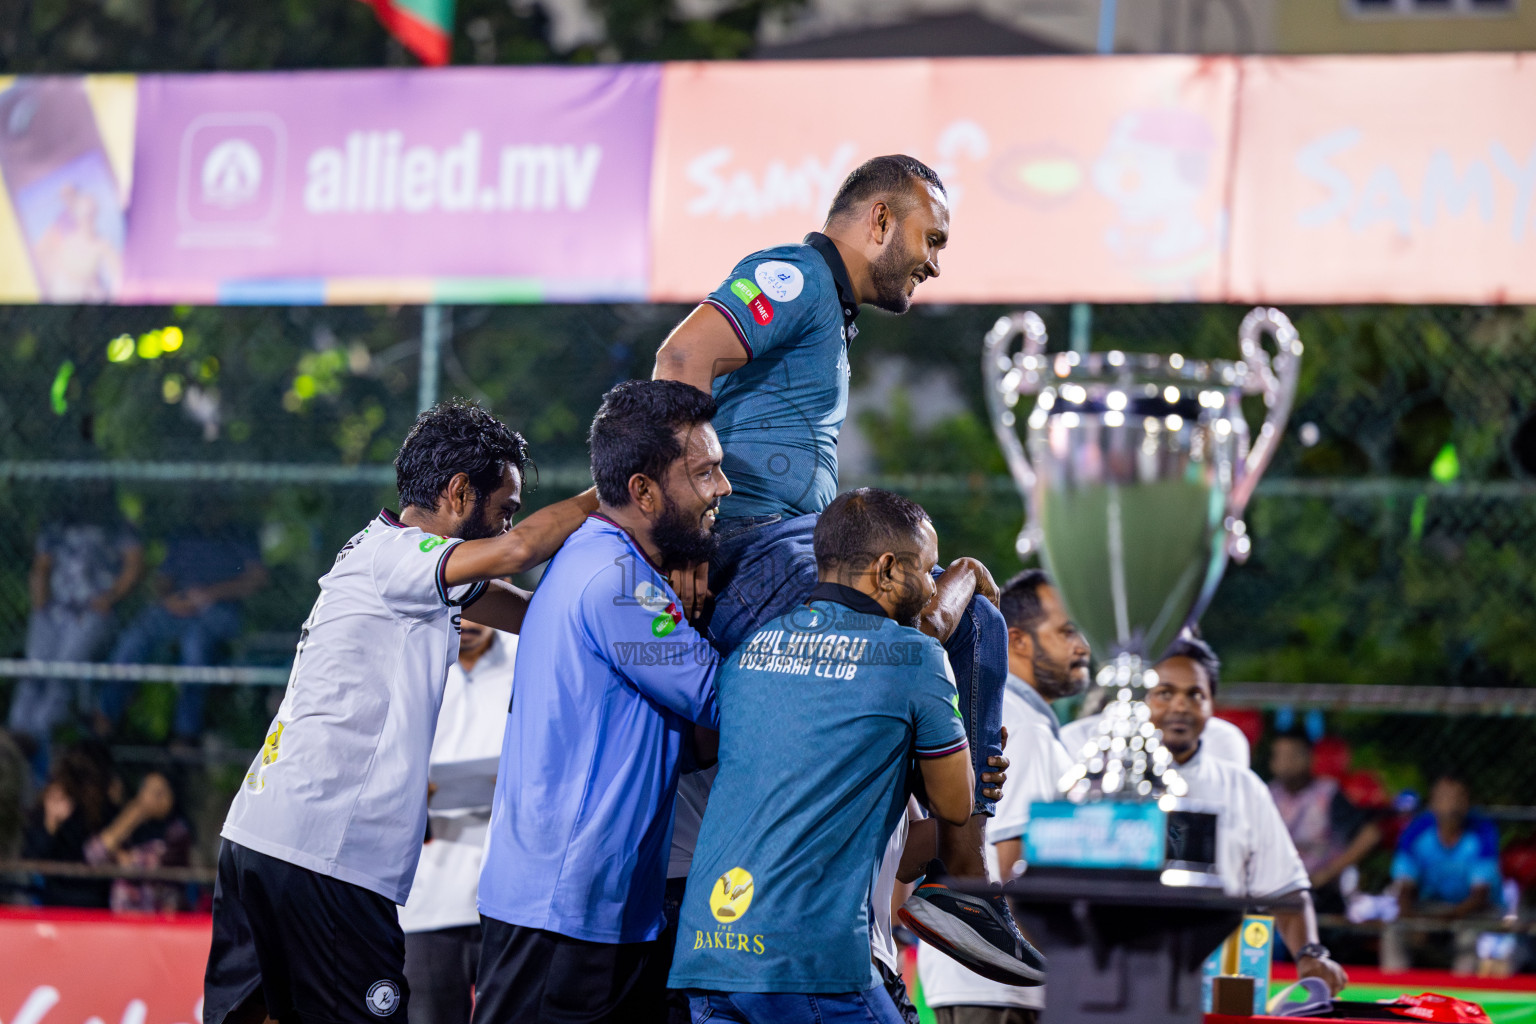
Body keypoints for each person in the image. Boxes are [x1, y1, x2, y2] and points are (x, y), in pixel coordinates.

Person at [654, 153, 1034, 983]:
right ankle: (961, 871)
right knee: (956, 625)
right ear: (879, 221)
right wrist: (679, 544)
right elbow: (682, 358)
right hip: (760, 551)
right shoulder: (791, 278)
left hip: (779, 549)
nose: (935, 261)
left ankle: (950, 826)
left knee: (962, 636)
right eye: (931, 238)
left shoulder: (824, 304)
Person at [203, 399, 598, 1024]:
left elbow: (525, 610)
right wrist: (616, 490)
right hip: (325, 858)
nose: (504, 529)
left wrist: (617, 614)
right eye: (501, 511)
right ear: (458, 493)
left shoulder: (388, 559)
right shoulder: (399, 557)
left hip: (259, 837)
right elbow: (516, 552)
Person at [668, 488, 977, 1024]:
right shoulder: (914, 655)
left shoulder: (751, 648)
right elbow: (955, 804)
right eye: (927, 571)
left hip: (708, 948)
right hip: (806, 955)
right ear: (886, 569)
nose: (932, 589)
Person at [473, 380, 728, 1024]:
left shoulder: (608, 561)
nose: (721, 489)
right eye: (705, 472)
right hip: (566, 914)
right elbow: (721, 700)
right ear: (642, 491)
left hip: (594, 909)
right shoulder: (618, 583)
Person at [919, 570, 1087, 1024]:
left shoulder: (1014, 717)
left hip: (978, 979)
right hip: (999, 986)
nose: (1083, 647)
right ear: (1018, 641)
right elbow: (1011, 867)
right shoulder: (1025, 727)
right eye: (1067, 631)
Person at [1144, 637, 1348, 995]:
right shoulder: (1106, 782)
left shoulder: (1243, 788)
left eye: (1195, 695)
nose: (1180, 705)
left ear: (1211, 706)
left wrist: (1310, 954)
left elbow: (1285, 886)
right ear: (1141, 701)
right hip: (1126, 969)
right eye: (1165, 693)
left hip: (1218, 978)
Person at [399, 621, 516, 1024]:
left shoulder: (530, 653)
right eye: (458, 603)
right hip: (425, 898)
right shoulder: (409, 655)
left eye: (478, 602)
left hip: (511, 897)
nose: (467, 619)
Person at [104, 512, 267, 743]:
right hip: (177, 608)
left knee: (195, 646)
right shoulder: (184, 535)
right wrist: (169, 599)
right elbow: (162, 579)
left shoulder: (239, 534)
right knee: (138, 633)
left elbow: (258, 578)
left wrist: (209, 595)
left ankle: (185, 733)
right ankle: (106, 715)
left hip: (219, 610)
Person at [11, 499, 142, 775]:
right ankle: (14, 748)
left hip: (93, 612)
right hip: (53, 612)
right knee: (32, 679)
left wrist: (109, 598)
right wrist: (41, 609)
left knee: (60, 679)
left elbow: (134, 564)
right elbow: (41, 567)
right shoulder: (57, 525)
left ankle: (37, 758)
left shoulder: (118, 525)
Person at [1382, 774, 1502, 975]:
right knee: (1394, 931)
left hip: (1472, 911)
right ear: (1432, 802)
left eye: (1458, 797)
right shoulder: (1416, 831)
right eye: (1445, 797)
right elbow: (1403, 888)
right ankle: (1394, 994)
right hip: (1428, 907)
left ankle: (1463, 996)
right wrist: (1413, 921)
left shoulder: (1482, 832)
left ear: (1467, 803)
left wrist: (1438, 922)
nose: (1452, 805)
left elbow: (1479, 897)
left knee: (1468, 937)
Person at [1268, 729, 1382, 913]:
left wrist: (1328, 873)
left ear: (1309, 758)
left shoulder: (1328, 793)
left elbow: (1370, 834)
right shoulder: (1268, 794)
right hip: (1275, 888)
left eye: (1292, 755)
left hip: (1321, 891)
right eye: (1280, 756)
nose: (1285, 763)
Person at [21, 742, 117, 908]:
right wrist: (51, 821)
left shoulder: (106, 811)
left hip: (90, 901)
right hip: (61, 900)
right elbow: (32, 857)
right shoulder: (56, 803)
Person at [84, 769, 194, 912]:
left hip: (159, 920)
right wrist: (133, 815)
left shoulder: (178, 831)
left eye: (158, 793)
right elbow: (94, 855)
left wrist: (120, 858)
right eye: (145, 790)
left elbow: (149, 866)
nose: (148, 798)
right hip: (121, 919)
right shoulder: (130, 826)